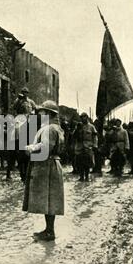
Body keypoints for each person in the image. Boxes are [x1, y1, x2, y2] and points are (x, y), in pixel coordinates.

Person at [23, 100, 65, 242]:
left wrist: (31, 148)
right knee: (49, 199)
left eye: (42, 112)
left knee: (49, 199)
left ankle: (50, 231)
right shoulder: (54, 128)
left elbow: (46, 146)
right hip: (51, 164)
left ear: (49, 114)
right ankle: (49, 229)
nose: (39, 114)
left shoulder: (49, 129)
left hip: (47, 165)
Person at [73, 113, 98, 182]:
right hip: (79, 147)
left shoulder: (91, 127)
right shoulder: (78, 126)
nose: (83, 119)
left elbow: (95, 137)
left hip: (88, 146)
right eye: (81, 117)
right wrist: (77, 129)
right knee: (79, 162)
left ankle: (86, 177)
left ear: (87, 117)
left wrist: (95, 145)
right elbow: (74, 136)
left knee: (87, 163)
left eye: (84, 117)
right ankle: (81, 176)